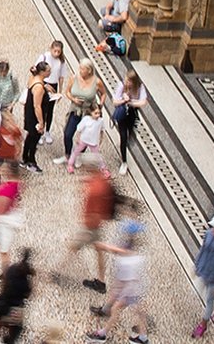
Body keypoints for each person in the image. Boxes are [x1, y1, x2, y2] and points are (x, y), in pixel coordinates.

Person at [88, 199, 149, 342]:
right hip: (131, 280)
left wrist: (104, 246)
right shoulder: (133, 242)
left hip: (132, 284)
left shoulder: (131, 253)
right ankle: (143, 336)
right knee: (130, 304)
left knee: (120, 308)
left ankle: (102, 334)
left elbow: (120, 251)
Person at [61, 158, 116, 291]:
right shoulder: (101, 181)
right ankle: (101, 282)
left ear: (90, 167)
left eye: (85, 166)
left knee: (73, 246)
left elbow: (94, 206)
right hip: (96, 224)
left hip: (91, 225)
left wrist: (89, 224)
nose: (84, 168)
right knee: (99, 251)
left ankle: (61, 272)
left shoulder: (95, 188)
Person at [0, 247, 35, 344]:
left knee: (4, 318)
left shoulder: (12, 269)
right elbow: (27, 295)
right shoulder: (24, 283)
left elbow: (4, 281)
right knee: (18, 328)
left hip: (0, 305)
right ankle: (10, 339)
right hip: (13, 308)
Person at [63, 65, 104, 165]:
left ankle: (79, 156)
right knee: (68, 134)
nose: (80, 71)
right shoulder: (74, 78)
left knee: (86, 134)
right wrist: (73, 99)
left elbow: (103, 93)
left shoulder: (97, 82)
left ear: (89, 71)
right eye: (80, 68)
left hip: (88, 111)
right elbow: (67, 91)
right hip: (76, 110)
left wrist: (100, 105)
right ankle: (68, 154)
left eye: (82, 69)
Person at [111, 73, 147, 175]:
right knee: (123, 136)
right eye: (126, 80)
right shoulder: (121, 85)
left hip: (132, 113)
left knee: (130, 132)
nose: (126, 82)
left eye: (129, 81)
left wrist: (131, 102)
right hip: (123, 113)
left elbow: (143, 102)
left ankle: (128, 140)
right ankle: (124, 161)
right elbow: (114, 102)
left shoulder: (140, 87)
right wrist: (123, 100)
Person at [22, 62, 54, 171]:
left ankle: (25, 158)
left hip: (29, 112)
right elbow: (37, 106)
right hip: (35, 115)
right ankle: (31, 161)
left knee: (30, 136)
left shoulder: (34, 79)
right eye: (48, 71)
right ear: (43, 72)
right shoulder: (39, 87)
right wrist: (41, 122)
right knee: (34, 138)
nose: (50, 72)